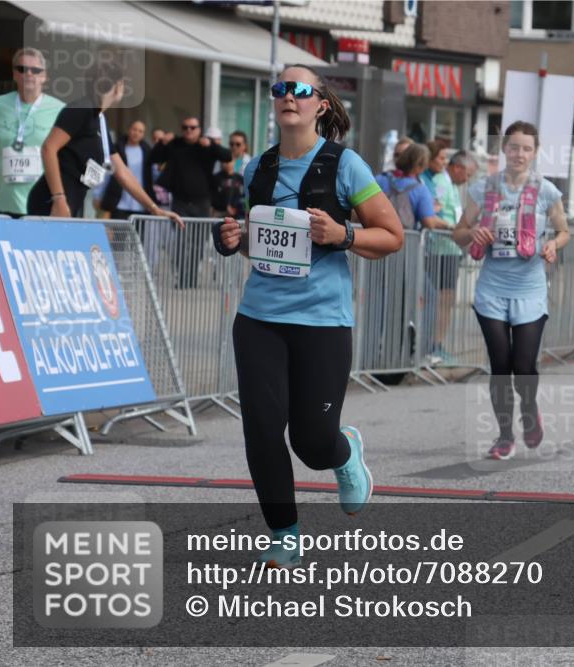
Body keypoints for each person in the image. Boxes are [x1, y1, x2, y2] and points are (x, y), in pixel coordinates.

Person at [213, 65, 403, 568]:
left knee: (311, 442)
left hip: (322, 321)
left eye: (299, 89)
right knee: (261, 427)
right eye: (279, 89)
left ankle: (343, 454)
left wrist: (343, 235)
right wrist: (234, 239)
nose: (287, 96)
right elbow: (263, 238)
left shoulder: (345, 166)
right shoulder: (259, 168)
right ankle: (284, 533)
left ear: (320, 104)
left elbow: (392, 235)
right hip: (259, 317)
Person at [452, 121, 571, 461]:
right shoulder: (484, 188)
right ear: (504, 149)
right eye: (514, 147)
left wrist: (552, 245)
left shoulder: (546, 191)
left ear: (535, 153)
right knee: (501, 366)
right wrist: (472, 234)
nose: (520, 154)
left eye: (527, 148)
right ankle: (505, 436)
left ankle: (530, 411)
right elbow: (458, 232)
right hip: (492, 290)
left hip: (530, 290)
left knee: (524, 365)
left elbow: (564, 232)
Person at [27, 55, 181, 231]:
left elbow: (122, 172)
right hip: (52, 202)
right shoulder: (82, 108)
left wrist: (154, 209)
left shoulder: (99, 118)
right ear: (117, 86)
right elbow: (48, 148)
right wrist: (59, 198)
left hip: (70, 202)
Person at [150, 116, 232, 287]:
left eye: (192, 127)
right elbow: (154, 157)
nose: (189, 130)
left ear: (199, 129)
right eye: (185, 127)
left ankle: (191, 277)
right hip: (180, 201)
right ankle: (182, 277)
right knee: (180, 242)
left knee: (198, 243)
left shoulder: (206, 145)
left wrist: (211, 145)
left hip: (202, 202)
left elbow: (228, 156)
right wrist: (163, 143)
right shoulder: (175, 144)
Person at [0, 48, 65, 216]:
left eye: (36, 70)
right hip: (6, 205)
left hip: (42, 205)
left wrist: (61, 198)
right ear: (14, 74)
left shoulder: (60, 109)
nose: (29, 74)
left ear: (44, 76)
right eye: (22, 69)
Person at [421, 140, 464, 363]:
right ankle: (430, 346)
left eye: (446, 158)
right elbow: (432, 212)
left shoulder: (447, 180)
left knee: (446, 300)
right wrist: (451, 227)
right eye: (441, 158)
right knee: (437, 299)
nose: (445, 162)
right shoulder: (430, 179)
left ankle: (437, 345)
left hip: (450, 248)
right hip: (437, 247)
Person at [100, 120, 155, 220]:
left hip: (140, 205)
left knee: (138, 235)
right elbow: (107, 173)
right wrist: (98, 194)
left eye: (140, 131)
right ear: (129, 130)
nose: (136, 133)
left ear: (143, 134)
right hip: (119, 202)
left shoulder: (148, 152)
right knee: (118, 235)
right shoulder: (117, 149)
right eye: (134, 129)